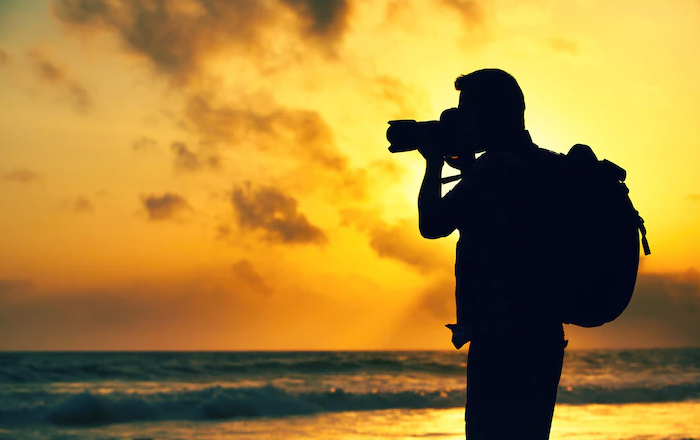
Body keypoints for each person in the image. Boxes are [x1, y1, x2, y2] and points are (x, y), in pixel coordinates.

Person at [417, 68, 567, 440]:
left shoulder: (495, 168)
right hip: (543, 336)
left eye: (466, 111)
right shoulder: (544, 164)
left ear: (491, 114)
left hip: (502, 341)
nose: (460, 120)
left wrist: (433, 161)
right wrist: (468, 164)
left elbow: (432, 224)